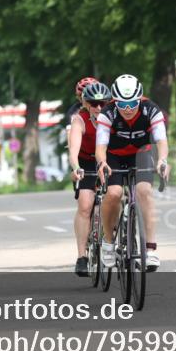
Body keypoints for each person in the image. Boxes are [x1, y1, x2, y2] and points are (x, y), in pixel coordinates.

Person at [95, 74, 170, 272]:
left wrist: (162, 160)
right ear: (114, 101)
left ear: (140, 98)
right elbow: (100, 146)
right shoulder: (107, 113)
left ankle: (151, 250)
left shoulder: (151, 110)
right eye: (122, 104)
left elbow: (161, 141)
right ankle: (108, 243)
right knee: (113, 194)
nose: (127, 109)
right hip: (114, 156)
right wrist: (102, 163)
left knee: (145, 191)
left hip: (141, 153)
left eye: (132, 103)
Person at [68, 80, 111, 277]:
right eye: (93, 103)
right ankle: (81, 256)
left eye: (102, 103)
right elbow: (73, 151)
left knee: (116, 197)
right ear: (85, 103)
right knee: (85, 204)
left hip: (108, 161)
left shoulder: (112, 116)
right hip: (86, 163)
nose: (98, 107)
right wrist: (76, 168)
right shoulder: (79, 120)